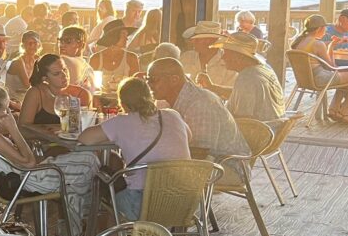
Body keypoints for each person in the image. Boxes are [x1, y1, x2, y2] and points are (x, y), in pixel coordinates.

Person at [0, 83, 99, 236]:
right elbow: (29, 163)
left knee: (83, 164)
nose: (8, 112)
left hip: (16, 175)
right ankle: (81, 227)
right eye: (6, 109)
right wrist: (13, 129)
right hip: (27, 179)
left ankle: (72, 229)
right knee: (88, 163)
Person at [79, 77, 191, 220]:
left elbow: (84, 138)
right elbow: (189, 136)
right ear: (150, 97)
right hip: (184, 201)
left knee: (113, 206)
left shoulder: (122, 122)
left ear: (123, 104)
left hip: (143, 203)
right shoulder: (173, 115)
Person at [146, 58, 248, 162]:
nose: (149, 85)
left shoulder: (200, 104)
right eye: (147, 79)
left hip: (225, 167)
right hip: (202, 164)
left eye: (153, 80)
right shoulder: (167, 102)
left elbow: (200, 156)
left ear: (174, 80)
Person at [292, 13, 348, 122]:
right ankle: (343, 111)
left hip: (306, 79)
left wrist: (331, 45)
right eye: (325, 28)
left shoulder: (298, 42)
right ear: (319, 29)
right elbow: (332, 67)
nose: (325, 31)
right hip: (321, 79)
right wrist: (331, 47)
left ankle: (335, 109)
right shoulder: (318, 44)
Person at [217, 32, 285, 125]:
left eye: (226, 53)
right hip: (272, 128)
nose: (222, 57)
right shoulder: (263, 68)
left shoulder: (246, 78)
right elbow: (242, 94)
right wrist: (213, 87)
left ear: (239, 56)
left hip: (256, 134)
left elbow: (243, 121)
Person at [179, 21, 236, 94]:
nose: (193, 41)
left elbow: (231, 94)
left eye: (197, 39)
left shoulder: (228, 62)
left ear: (210, 40)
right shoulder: (186, 57)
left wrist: (212, 88)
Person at [19, 54, 75, 126]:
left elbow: (75, 126)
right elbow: (22, 128)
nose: (64, 75)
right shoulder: (36, 93)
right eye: (56, 73)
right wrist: (54, 130)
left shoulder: (76, 93)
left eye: (64, 69)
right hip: (38, 137)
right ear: (45, 78)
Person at [89, 19, 139, 94]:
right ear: (113, 36)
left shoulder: (131, 58)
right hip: (100, 99)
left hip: (125, 100)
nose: (127, 38)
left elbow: (135, 85)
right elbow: (91, 86)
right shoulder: (96, 59)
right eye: (123, 35)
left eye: (127, 35)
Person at [5, 31, 42, 102]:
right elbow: (28, 85)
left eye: (35, 43)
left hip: (29, 98)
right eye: (29, 43)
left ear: (38, 45)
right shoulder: (18, 62)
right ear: (23, 45)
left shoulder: (38, 60)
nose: (32, 46)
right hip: (14, 100)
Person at [58, 25, 95, 91]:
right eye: (60, 41)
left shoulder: (64, 61)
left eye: (67, 41)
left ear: (80, 44)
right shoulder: (89, 68)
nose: (61, 45)